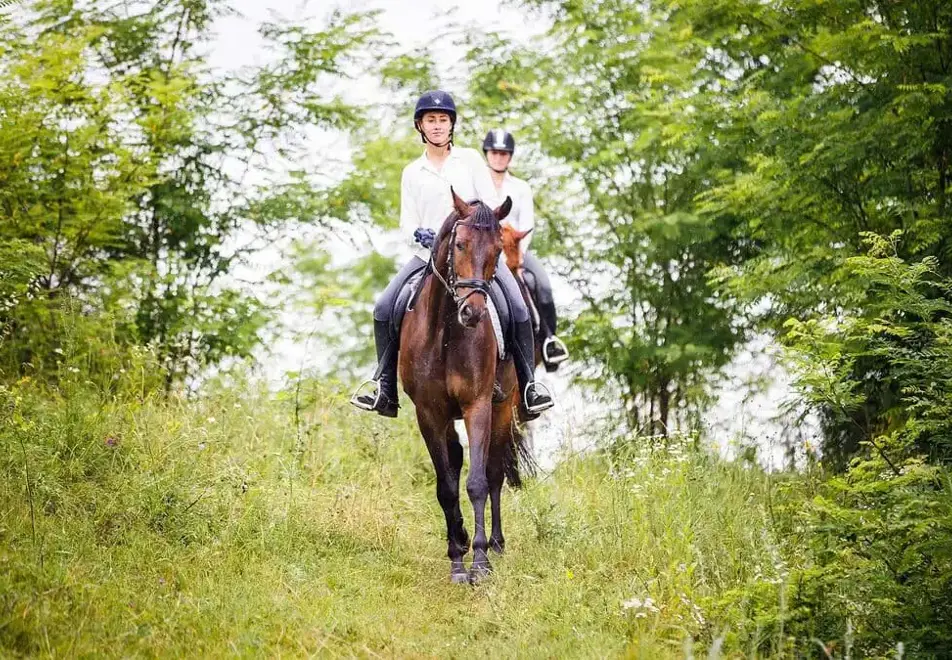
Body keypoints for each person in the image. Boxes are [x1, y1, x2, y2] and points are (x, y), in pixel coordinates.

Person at [350, 91, 554, 419]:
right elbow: (407, 222)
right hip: (427, 256)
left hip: (473, 256)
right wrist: (419, 235)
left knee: (517, 306)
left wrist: (475, 235)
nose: (437, 126)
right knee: (384, 306)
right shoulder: (411, 172)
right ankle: (384, 386)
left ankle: (529, 387)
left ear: (451, 125)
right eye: (430, 120)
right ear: (420, 125)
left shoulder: (471, 160)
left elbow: (487, 207)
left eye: (442, 120)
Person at [482, 128, 569, 371]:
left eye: (503, 153)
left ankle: (550, 342)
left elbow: (527, 225)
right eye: (494, 153)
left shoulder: (521, 187)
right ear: (487, 154)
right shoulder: (478, 184)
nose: (498, 157)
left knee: (542, 284)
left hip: (515, 250)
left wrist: (518, 257)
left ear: (509, 157)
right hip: (485, 251)